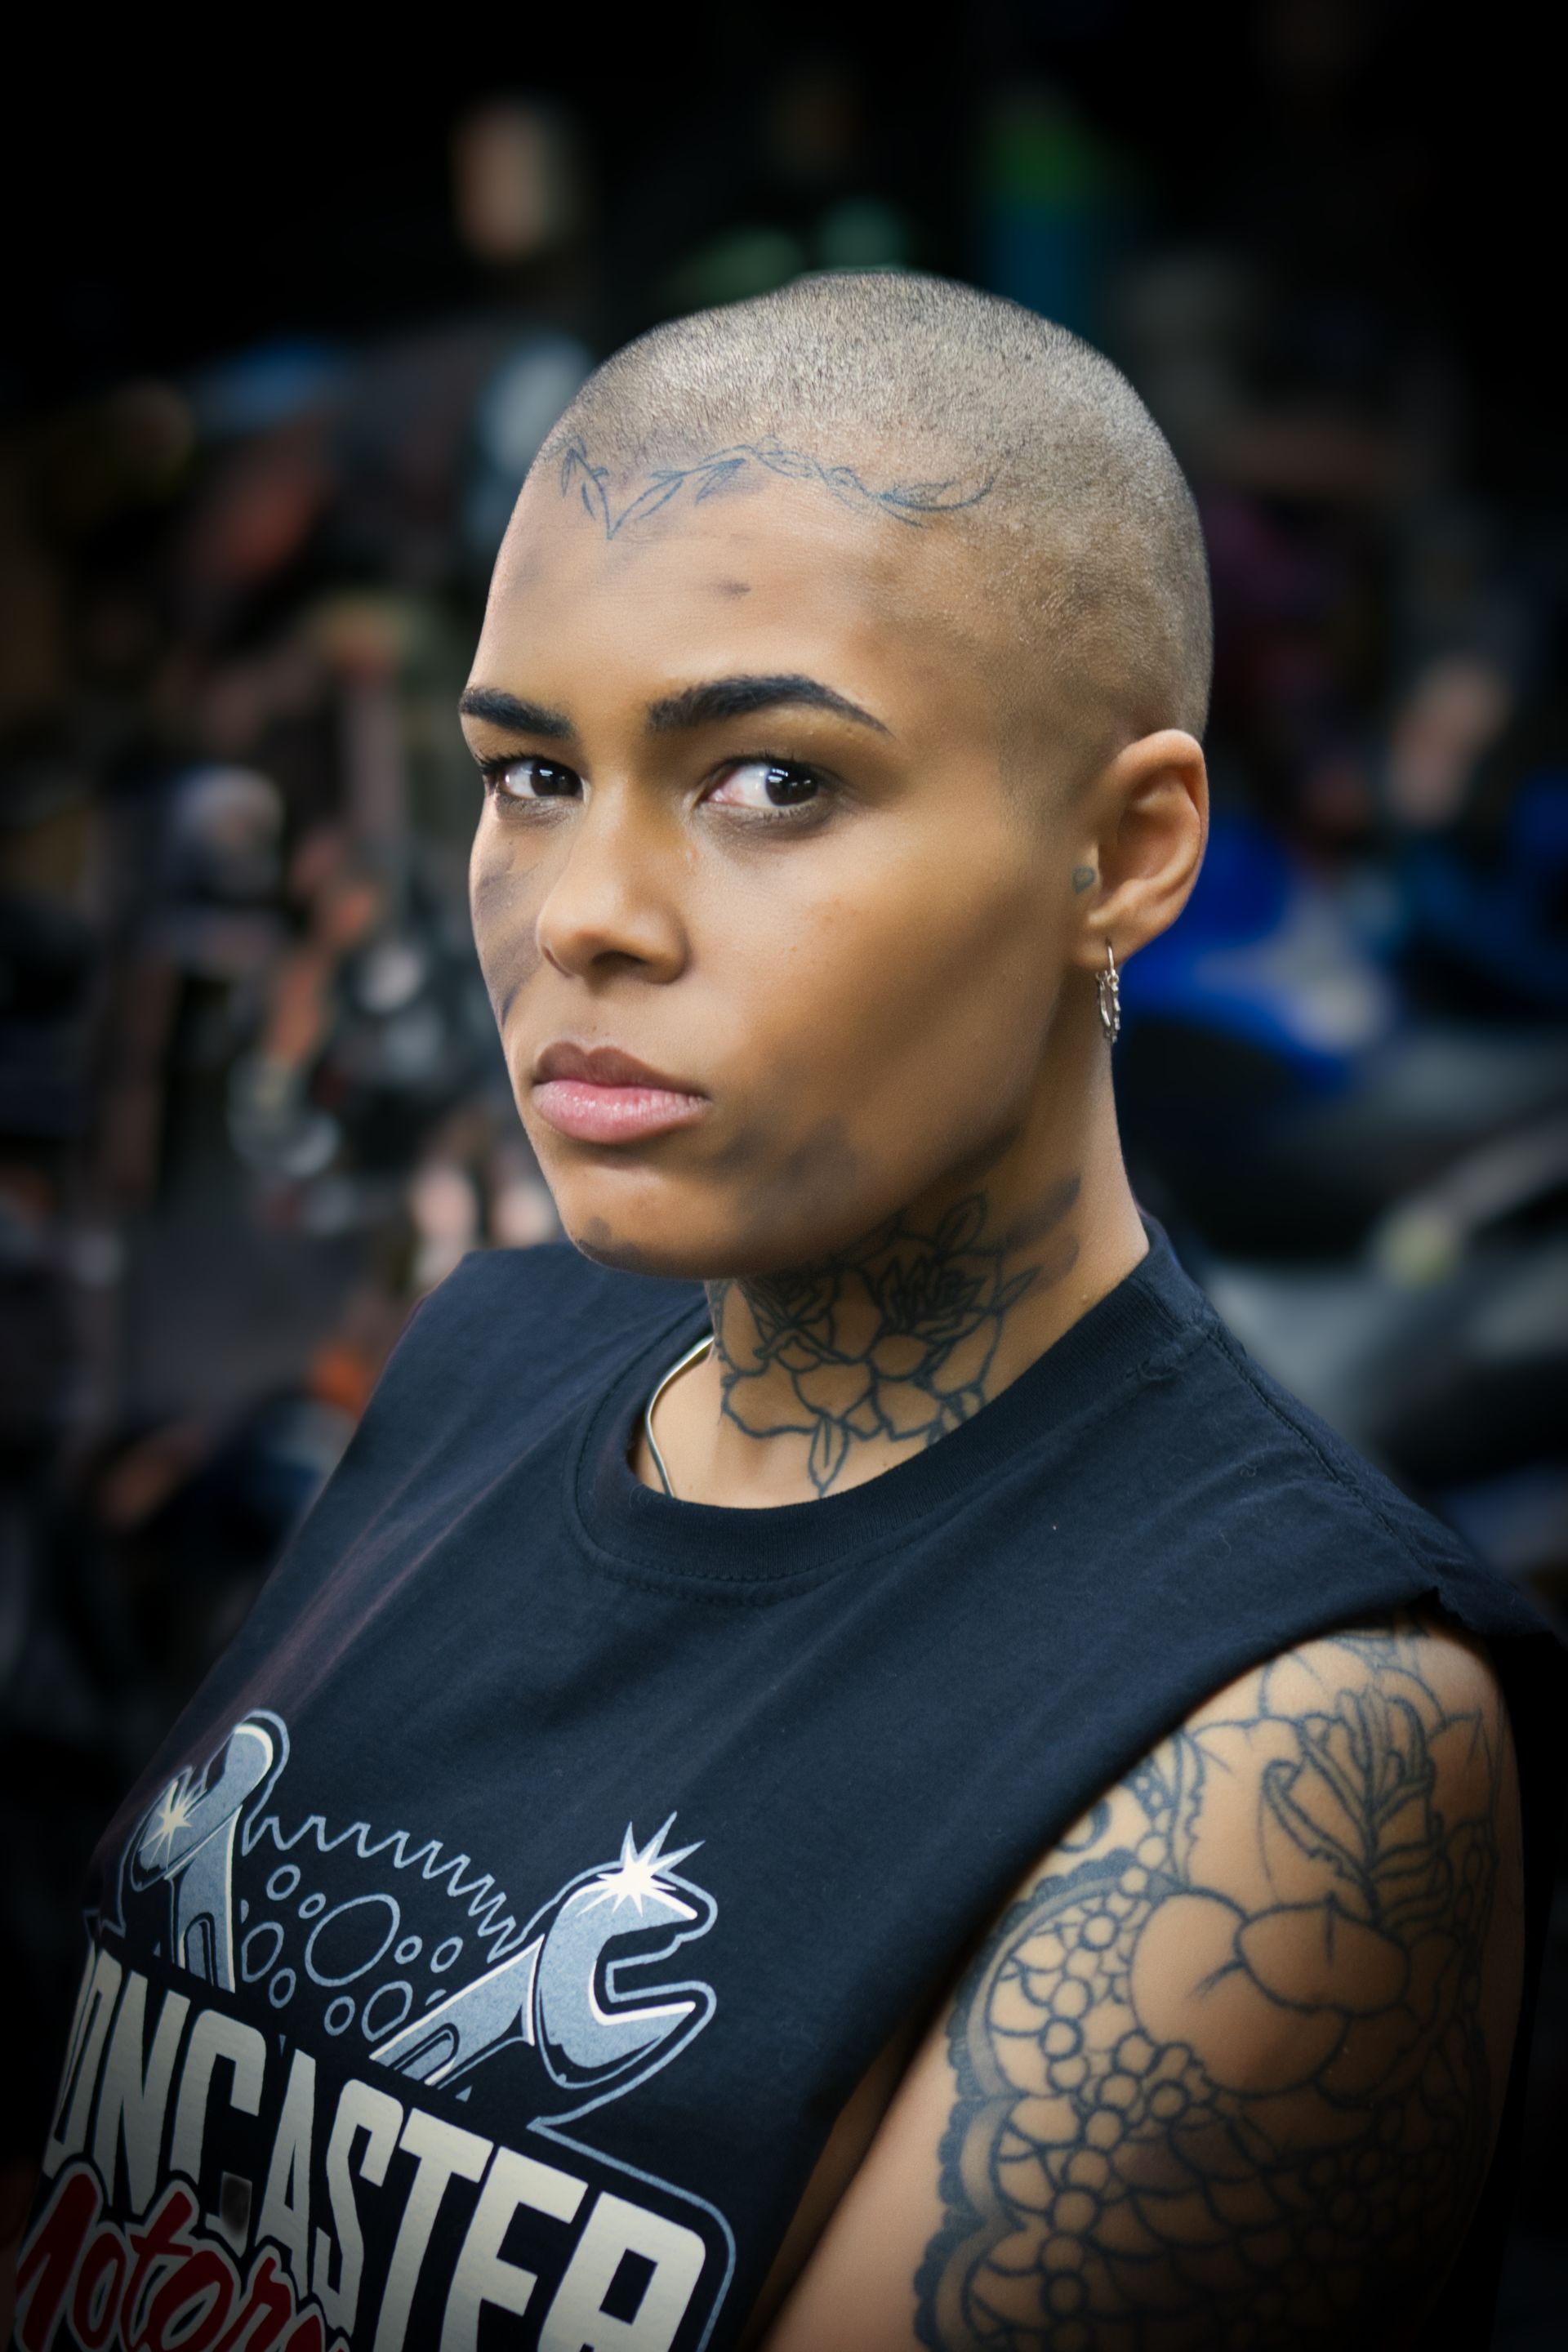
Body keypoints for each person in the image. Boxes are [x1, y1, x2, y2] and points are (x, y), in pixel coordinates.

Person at [11, 274, 1563, 2352]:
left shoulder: (1291, 1759)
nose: (584, 915)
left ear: (1126, 852)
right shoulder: (484, 1354)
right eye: (531, 774)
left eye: (768, 781)